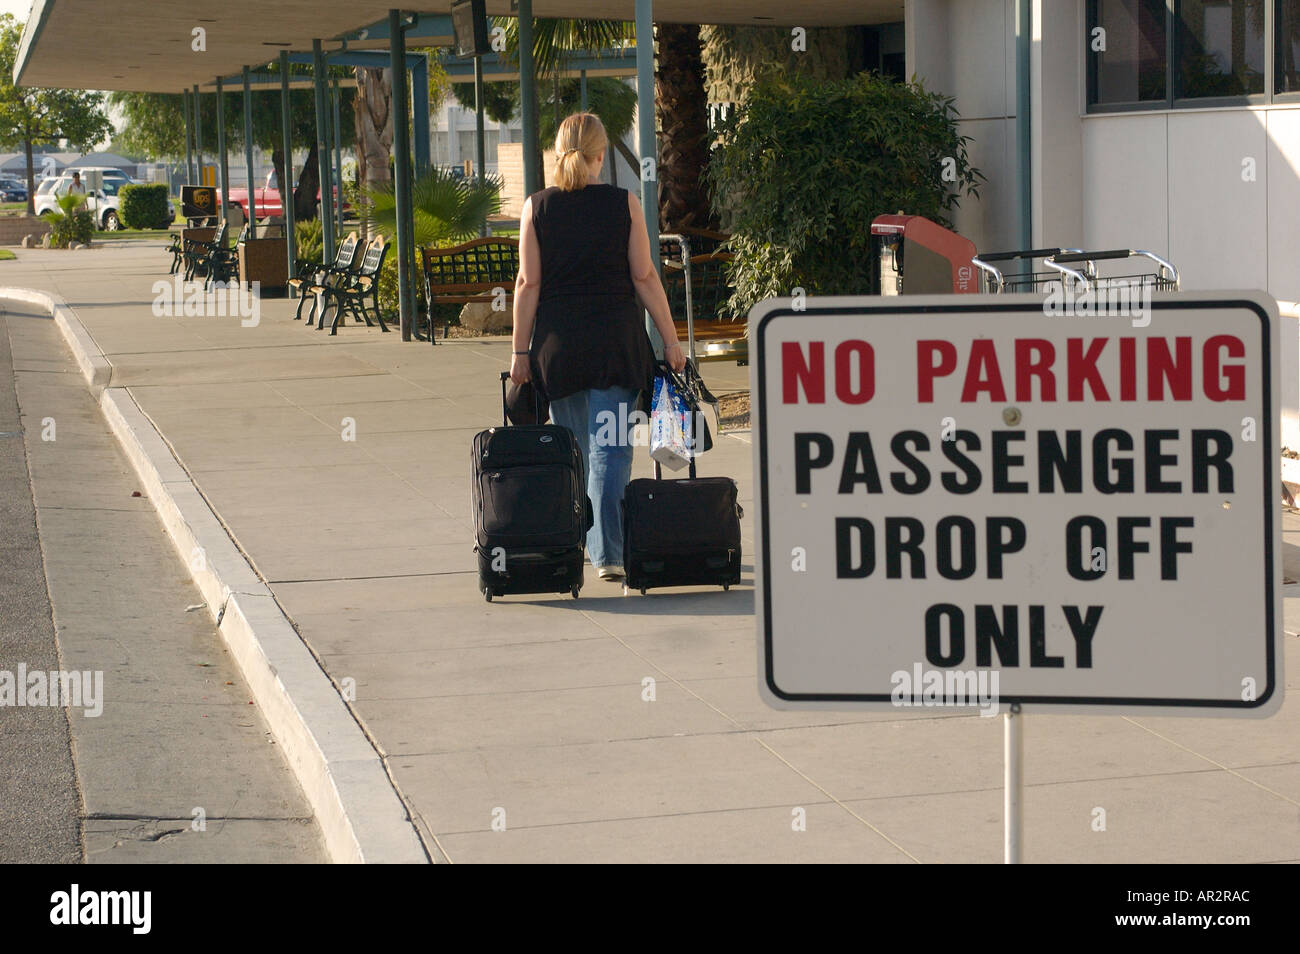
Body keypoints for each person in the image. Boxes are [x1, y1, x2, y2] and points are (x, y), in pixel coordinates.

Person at [510, 112, 687, 583]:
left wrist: (519, 353)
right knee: (611, 449)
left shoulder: (536, 208)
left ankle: (579, 545)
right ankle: (608, 551)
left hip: (558, 351)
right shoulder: (623, 203)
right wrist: (670, 340)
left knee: (575, 448)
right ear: (600, 155)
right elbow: (645, 276)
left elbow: (528, 283)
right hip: (614, 347)